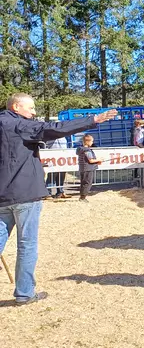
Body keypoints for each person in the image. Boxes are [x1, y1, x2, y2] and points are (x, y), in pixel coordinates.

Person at [0, 93, 116, 304]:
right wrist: (93, 120)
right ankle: (25, 293)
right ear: (16, 107)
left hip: (1, 196)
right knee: (27, 245)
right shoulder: (20, 125)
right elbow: (56, 128)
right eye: (31, 108)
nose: (34, 113)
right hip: (25, 194)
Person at [76, 134, 104, 202]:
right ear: (87, 142)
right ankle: (83, 197)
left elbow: (86, 160)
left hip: (83, 168)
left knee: (83, 182)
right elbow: (90, 160)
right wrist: (99, 160)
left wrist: (96, 162)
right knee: (87, 183)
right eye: (92, 141)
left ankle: (82, 196)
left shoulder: (80, 149)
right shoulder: (87, 150)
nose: (92, 143)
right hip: (88, 169)